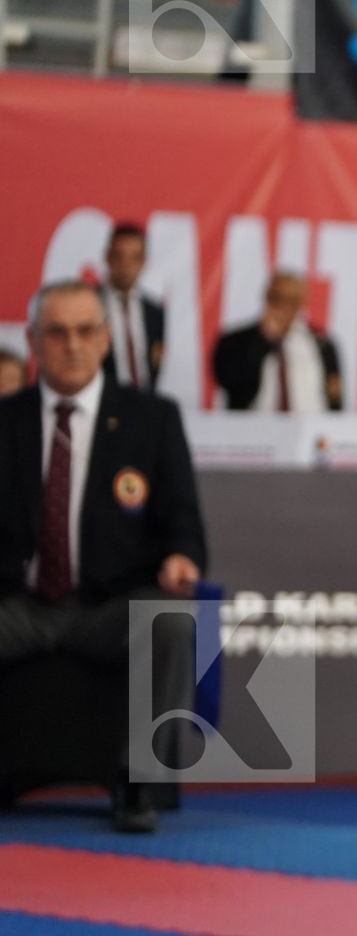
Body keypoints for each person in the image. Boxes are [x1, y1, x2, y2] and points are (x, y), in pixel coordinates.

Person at [0, 281, 207, 833]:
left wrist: (183, 557)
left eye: (87, 331)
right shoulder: (6, 420)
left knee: (170, 620)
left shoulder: (152, 419)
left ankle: (138, 782)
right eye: (58, 332)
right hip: (20, 602)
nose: (73, 345)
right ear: (33, 341)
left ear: (107, 339)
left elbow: (183, 518)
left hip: (110, 603)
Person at [211, 271, 343, 413]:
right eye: (278, 298)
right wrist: (264, 340)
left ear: (303, 302)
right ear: (267, 297)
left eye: (292, 300)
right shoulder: (236, 340)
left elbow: (334, 395)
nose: (284, 306)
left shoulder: (322, 343)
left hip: (309, 428)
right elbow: (229, 381)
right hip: (252, 429)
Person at [100, 222, 165, 393]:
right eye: (119, 256)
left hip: (144, 402)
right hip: (105, 401)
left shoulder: (155, 312)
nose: (126, 265)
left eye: (134, 257)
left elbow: (155, 360)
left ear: (144, 261)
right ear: (107, 257)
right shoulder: (90, 306)